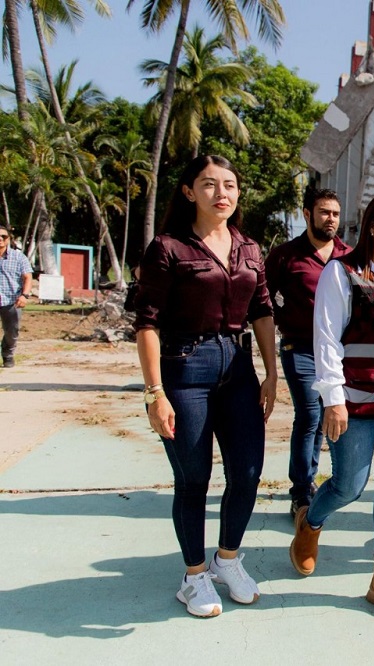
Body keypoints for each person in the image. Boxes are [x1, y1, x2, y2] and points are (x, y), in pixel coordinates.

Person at [133, 155, 278, 618]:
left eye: (230, 185)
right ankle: (193, 578)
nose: (222, 193)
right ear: (188, 192)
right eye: (210, 184)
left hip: (238, 369)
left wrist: (272, 372)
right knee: (193, 479)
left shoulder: (250, 248)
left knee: (249, 473)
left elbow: (262, 311)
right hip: (184, 368)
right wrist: (155, 393)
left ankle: (227, 561)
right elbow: (147, 323)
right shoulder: (169, 247)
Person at [289, 190, 374, 622]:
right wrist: (333, 399)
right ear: (373, 226)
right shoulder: (342, 272)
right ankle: (310, 523)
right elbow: (326, 338)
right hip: (358, 397)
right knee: (349, 484)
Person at [265, 187, 351, 518]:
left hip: (339, 353)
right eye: (324, 212)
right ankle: (301, 492)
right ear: (307, 214)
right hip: (299, 348)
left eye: (335, 214)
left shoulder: (349, 256)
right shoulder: (285, 256)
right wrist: (284, 319)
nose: (330, 219)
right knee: (310, 415)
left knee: (331, 415)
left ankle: (330, 484)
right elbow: (262, 299)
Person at [0, 225, 32, 368]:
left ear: (8, 239)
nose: (0, 239)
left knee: (12, 332)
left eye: (3, 237)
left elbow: (28, 278)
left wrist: (24, 295)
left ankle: (8, 354)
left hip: (11, 302)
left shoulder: (19, 257)